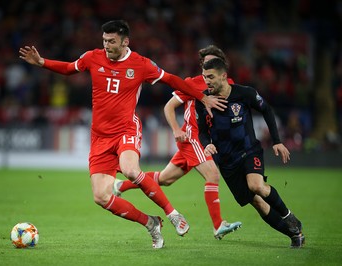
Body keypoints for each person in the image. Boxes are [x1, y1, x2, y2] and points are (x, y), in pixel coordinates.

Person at [19, 20, 227, 249]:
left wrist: (202, 97)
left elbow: (172, 80)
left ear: (125, 41)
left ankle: (172, 214)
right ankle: (150, 223)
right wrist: (41, 62)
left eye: (112, 41)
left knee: (130, 170)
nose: (107, 45)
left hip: (126, 128)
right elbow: (69, 68)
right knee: (101, 197)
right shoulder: (92, 57)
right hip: (99, 136)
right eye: (104, 41)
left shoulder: (141, 64)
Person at [113, 45, 242, 240]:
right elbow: (169, 107)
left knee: (165, 179)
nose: (207, 65)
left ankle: (120, 186)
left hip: (204, 140)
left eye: (212, 61)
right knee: (213, 175)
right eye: (205, 62)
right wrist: (176, 129)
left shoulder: (228, 85)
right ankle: (218, 225)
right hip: (192, 138)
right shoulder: (192, 83)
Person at [195, 57, 305, 248]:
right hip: (227, 162)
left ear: (223, 76)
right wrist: (206, 144)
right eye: (205, 77)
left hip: (248, 151)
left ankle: (288, 215)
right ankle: (295, 234)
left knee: (256, 186)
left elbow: (267, 110)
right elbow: (202, 132)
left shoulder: (244, 94)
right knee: (258, 203)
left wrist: (277, 141)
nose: (207, 81)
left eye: (211, 77)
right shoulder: (203, 101)